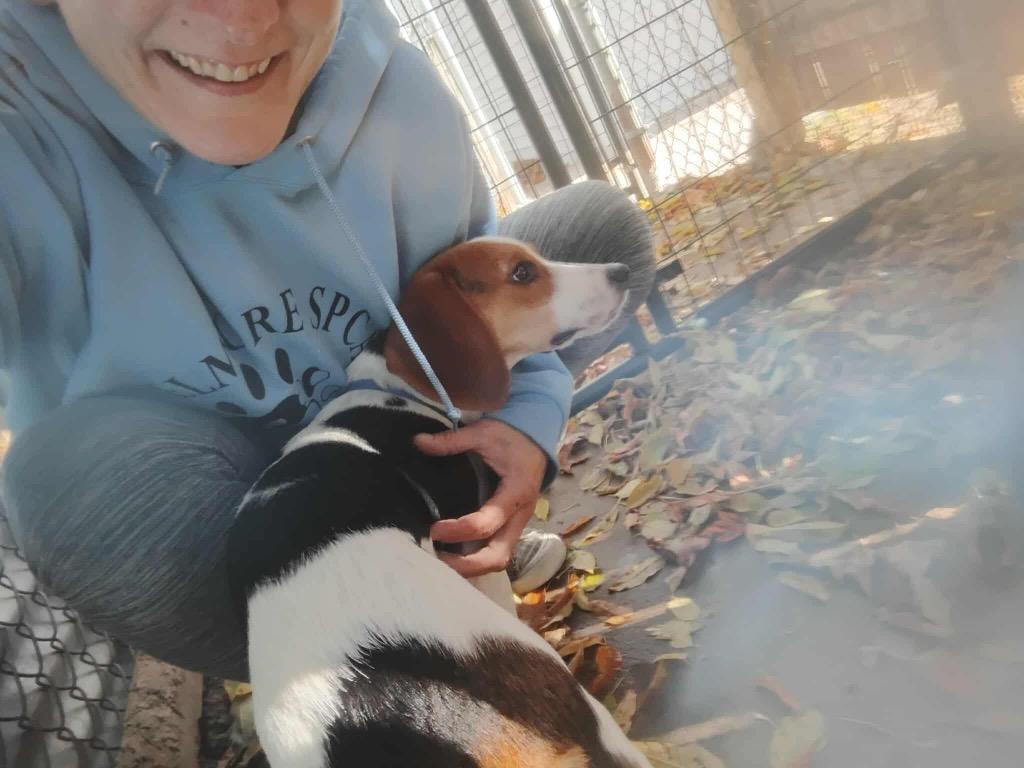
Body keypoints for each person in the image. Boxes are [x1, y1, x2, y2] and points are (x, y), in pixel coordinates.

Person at [0, 0, 653, 681]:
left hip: (417, 432)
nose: (244, 18)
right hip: (254, 516)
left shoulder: (399, 90)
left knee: (599, 228)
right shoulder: (17, 130)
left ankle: (465, 536)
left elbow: (476, 271)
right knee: (61, 487)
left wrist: (528, 419)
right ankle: (371, 676)